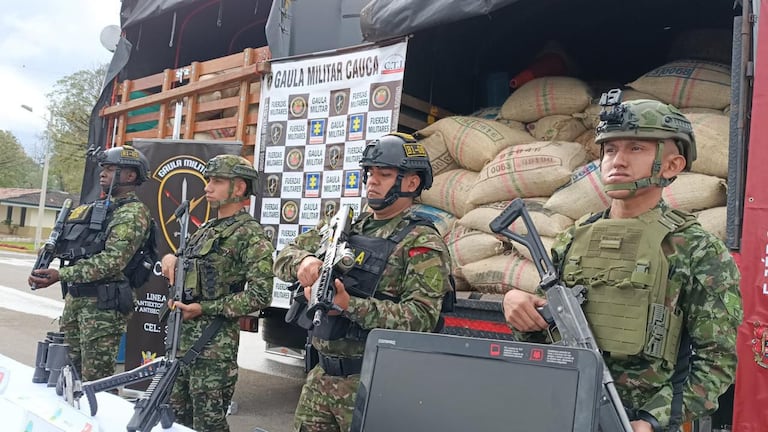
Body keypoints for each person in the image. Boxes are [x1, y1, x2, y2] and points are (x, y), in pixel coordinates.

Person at [502, 94, 742, 432]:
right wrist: (520, 311)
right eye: (610, 149)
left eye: (636, 148)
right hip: (564, 410)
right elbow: (548, 338)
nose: (618, 160)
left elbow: (716, 361)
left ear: (672, 165)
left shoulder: (698, 250)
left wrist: (651, 421)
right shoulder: (573, 238)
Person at [274, 133, 453, 432]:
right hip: (321, 377)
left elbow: (422, 318)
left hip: (375, 383)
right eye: (369, 172)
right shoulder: (343, 227)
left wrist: (348, 305)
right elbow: (283, 256)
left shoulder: (422, 241)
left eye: (384, 174)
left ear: (411, 183)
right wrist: (303, 263)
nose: (372, 181)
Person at [159, 154, 274, 432]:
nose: (208, 187)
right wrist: (170, 259)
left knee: (208, 426)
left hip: (213, 349)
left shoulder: (250, 234)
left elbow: (260, 295)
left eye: (218, 181)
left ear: (239, 189)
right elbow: (185, 264)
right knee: (174, 422)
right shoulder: (205, 230)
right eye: (209, 180)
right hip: (181, 344)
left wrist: (205, 308)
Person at [28, 145, 153, 381]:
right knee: (65, 375)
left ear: (130, 175)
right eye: (103, 168)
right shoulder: (97, 209)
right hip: (77, 301)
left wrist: (61, 275)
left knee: (96, 382)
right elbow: (73, 248)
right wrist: (45, 261)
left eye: (111, 168)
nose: (103, 173)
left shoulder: (133, 213)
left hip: (103, 307)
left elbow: (112, 261)